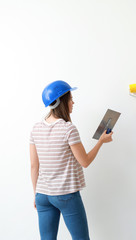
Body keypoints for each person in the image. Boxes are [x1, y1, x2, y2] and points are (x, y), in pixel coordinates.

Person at [30, 80, 113, 240]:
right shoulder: (68, 129)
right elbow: (85, 161)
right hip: (65, 194)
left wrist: (35, 194)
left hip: (42, 195)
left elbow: (34, 166)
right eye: (70, 99)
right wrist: (101, 141)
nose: (73, 102)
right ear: (61, 102)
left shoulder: (35, 128)